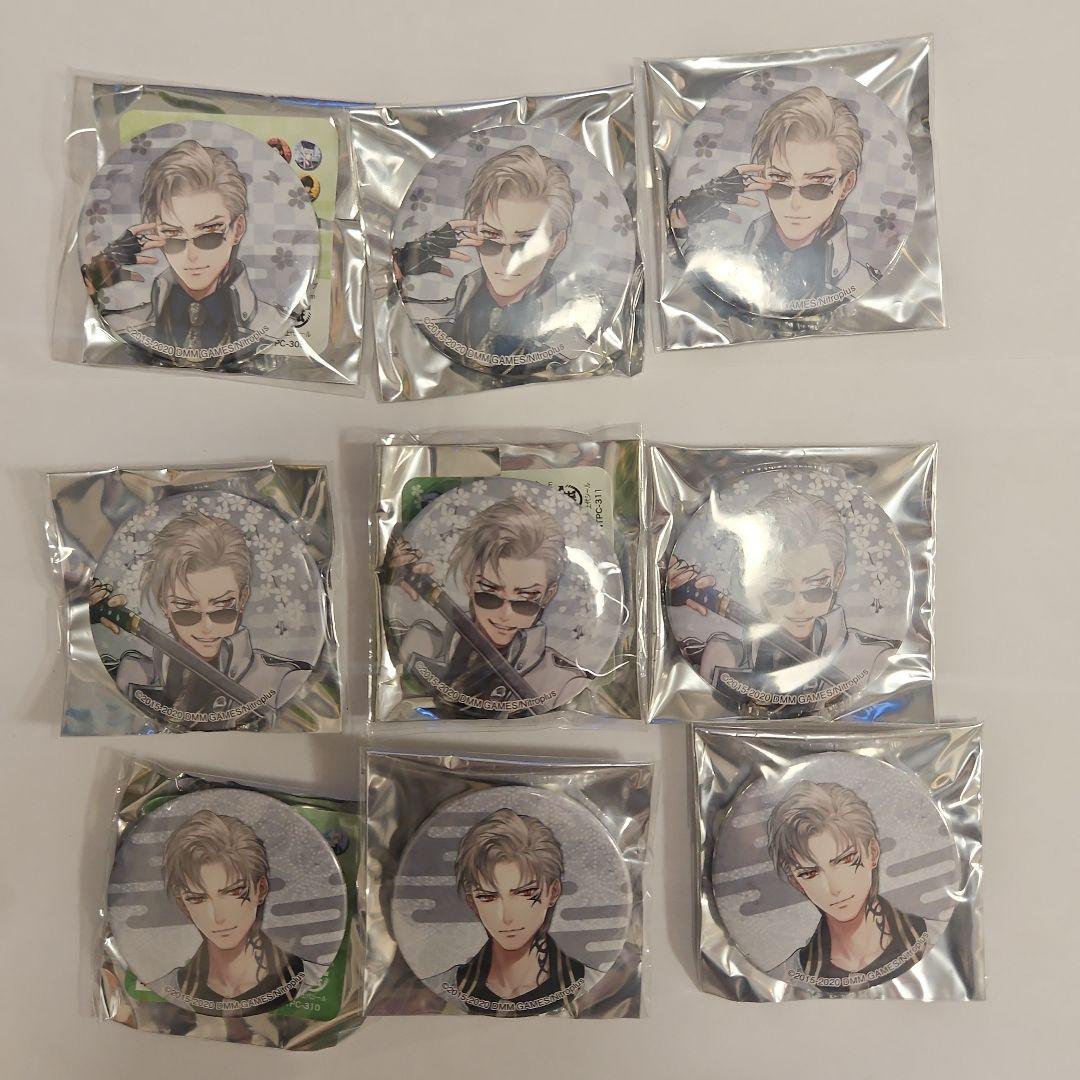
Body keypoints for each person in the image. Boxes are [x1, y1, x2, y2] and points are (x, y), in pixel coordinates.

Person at [668, 487, 897, 705]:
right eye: (778, 592)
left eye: (816, 588)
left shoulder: (874, 657)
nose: (799, 607)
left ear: (838, 577)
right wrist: (663, 598)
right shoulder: (725, 656)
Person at [669, 86, 879, 312]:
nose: (795, 204)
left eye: (817, 185)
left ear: (847, 184)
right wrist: (687, 215)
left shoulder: (861, 285)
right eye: (779, 181)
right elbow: (687, 278)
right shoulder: (729, 263)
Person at [91, 510, 310, 722]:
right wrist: (83, 617)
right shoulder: (131, 673)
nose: (207, 627)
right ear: (164, 603)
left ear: (243, 599)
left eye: (222, 608)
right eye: (186, 610)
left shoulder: (284, 680)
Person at [82, 138, 283, 364]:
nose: (191, 256)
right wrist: (93, 278)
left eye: (209, 234)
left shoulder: (275, 326)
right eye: (173, 236)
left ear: (238, 229)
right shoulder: (125, 325)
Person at [386, 496, 591, 716]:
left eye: (525, 600)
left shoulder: (564, 682)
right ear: (469, 582)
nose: (505, 614)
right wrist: (384, 578)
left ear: (548, 595)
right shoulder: (421, 645)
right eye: (489, 594)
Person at [393, 146, 579, 364]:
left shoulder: (569, 344)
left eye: (526, 243)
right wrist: (400, 263)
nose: (506, 260)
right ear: (474, 232)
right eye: (491, 237)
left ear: (557, 244)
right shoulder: (438, 316)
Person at [766, 781, 930, 991]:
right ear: (796, 883)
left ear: (873, 852)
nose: (834, 888)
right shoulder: (784, 981)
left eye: (845, 860)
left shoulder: (936, 941)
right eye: (810, 873)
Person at [434, 808, 587, 1015]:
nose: (507, 917)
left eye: (526, 893)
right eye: (488, 897)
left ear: (553, 892)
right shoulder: (442, 988)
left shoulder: (589, 984)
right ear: (472, 902)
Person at [160, 809, 306, 1014]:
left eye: (233, 892)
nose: (218, 917)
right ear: (184, 905)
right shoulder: (164, 991)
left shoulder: (311, 982)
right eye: (197, 898)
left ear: (261, 889)